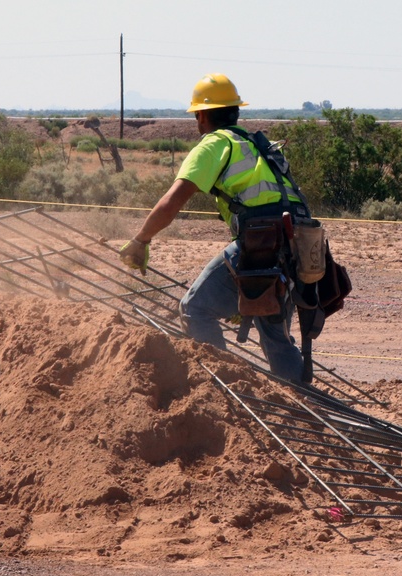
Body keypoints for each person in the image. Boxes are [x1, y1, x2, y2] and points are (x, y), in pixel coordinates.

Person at [119, 73, 308, 382]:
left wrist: (141, 240)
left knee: (194, 309)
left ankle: (227, 391)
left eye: (197, 115)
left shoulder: (214, 144)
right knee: (275, 334)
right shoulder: (255, 144)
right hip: (300, 242)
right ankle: (309, 408)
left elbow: (172, 202)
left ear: (203, 115)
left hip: (263, 243)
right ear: (235, 111)